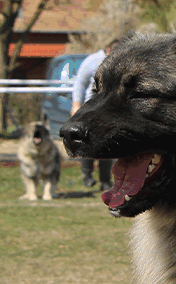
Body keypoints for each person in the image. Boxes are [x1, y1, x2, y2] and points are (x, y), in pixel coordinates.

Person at [71, 40, 121, 191]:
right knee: (87, 142)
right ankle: (87, 176)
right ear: (107, 50)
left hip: (109, 109)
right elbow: (80, 82)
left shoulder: (119, 63)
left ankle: (105, 180)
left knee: (107, 144)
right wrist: (76, 104)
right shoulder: (93, 61)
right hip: (90, 108)